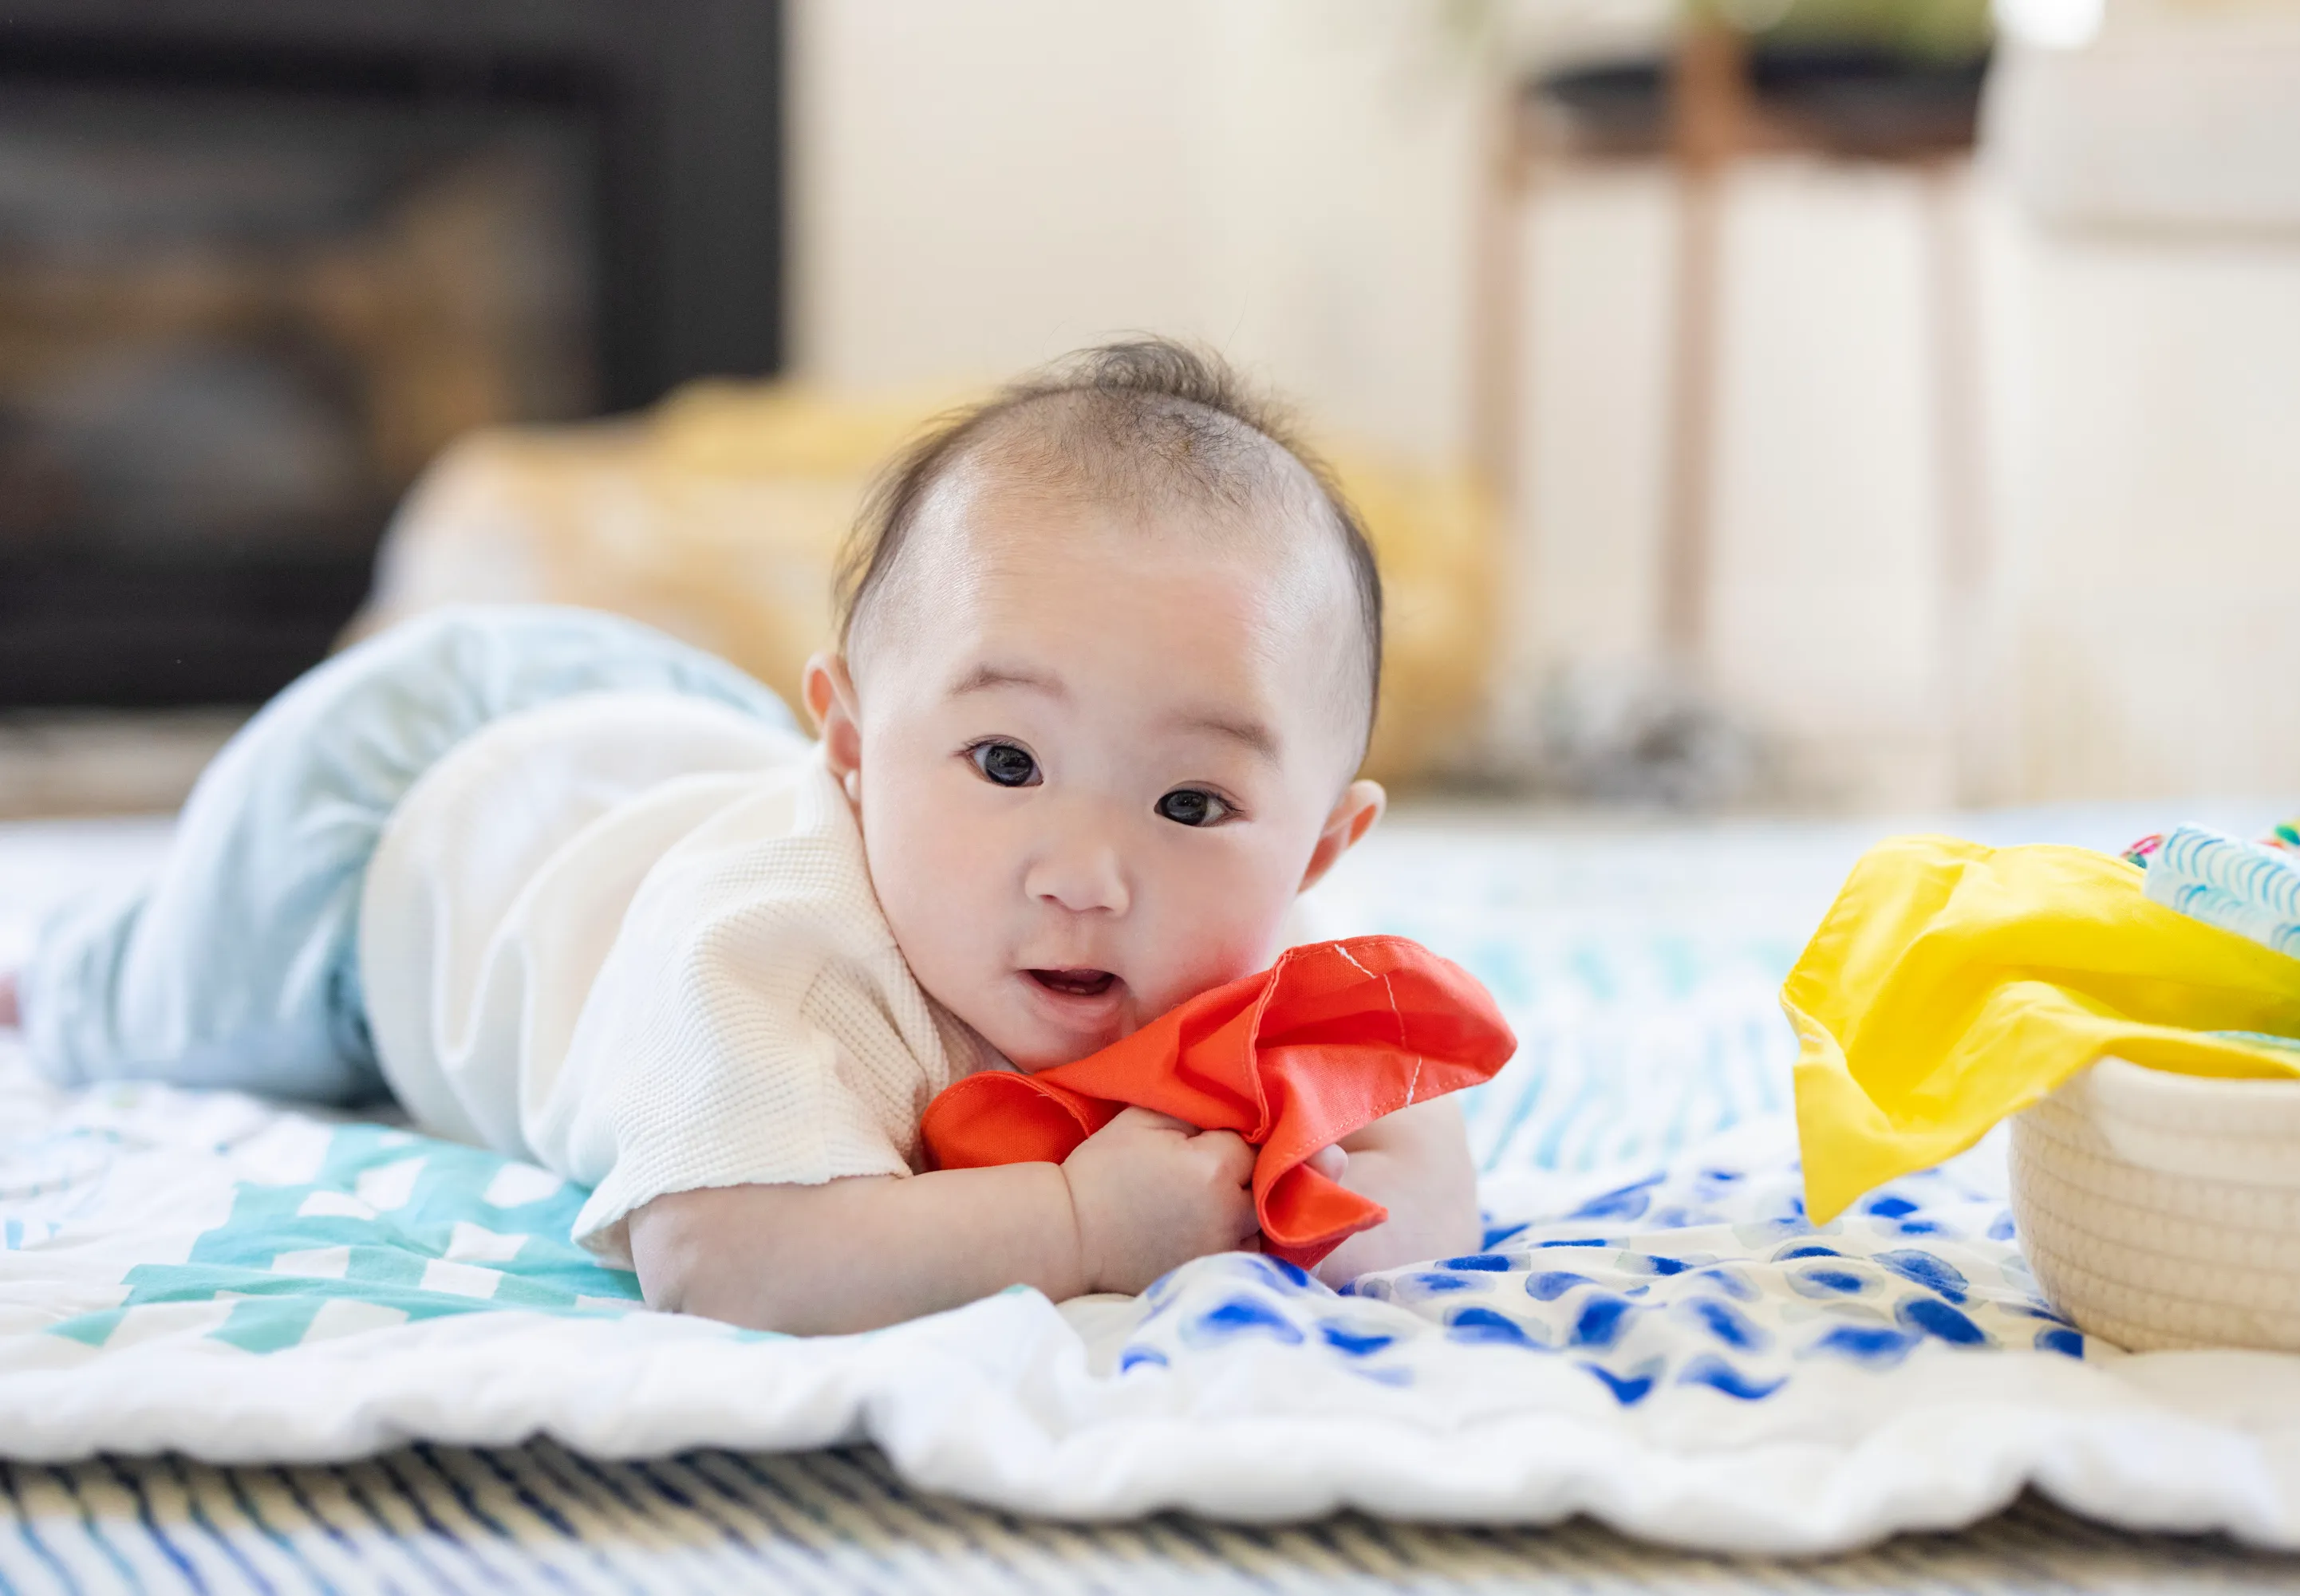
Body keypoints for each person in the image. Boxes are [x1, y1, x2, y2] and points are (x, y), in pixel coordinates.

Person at [1, 339, 1481, 1334]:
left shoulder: (1236, 958)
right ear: (849, 750)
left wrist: (1350, 1199)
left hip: (645, 744)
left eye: (1193, 805)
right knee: (167, 1003)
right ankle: (53, 969)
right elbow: (716, 1253)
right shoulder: (777, 949)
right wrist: (1082, 1226)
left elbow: (1410, 1185)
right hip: (397, 847)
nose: (1088, 874)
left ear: (1319, 851)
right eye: (1007, 760)